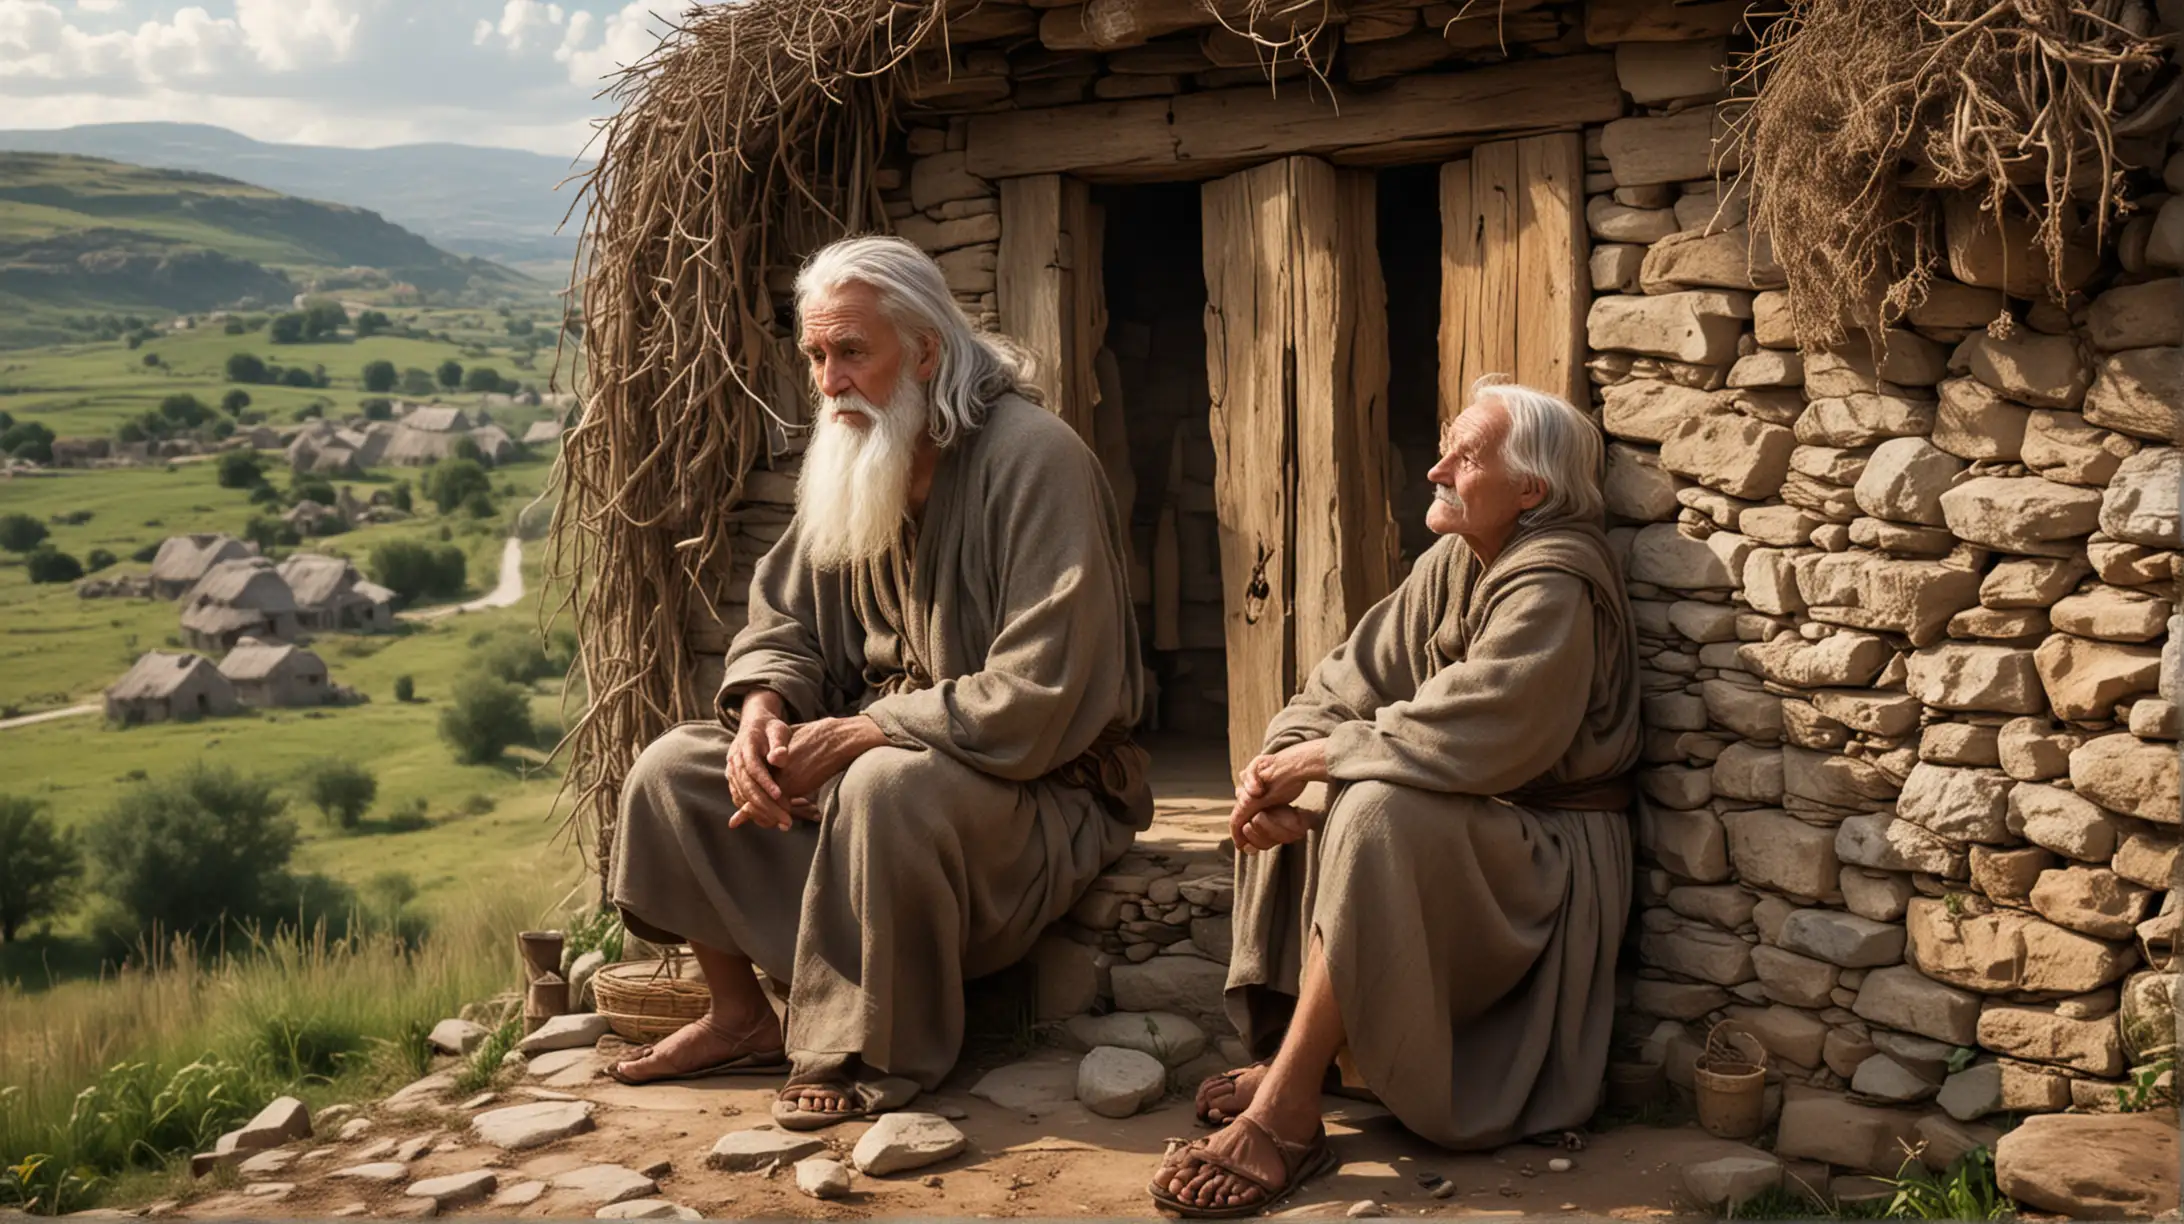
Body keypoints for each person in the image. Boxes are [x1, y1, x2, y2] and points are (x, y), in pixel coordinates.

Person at [608, 235, 1152, 1130]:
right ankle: (740, 1017)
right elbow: (783, 620)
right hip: (894, 777)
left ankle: (867, 1045)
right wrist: (762, 712)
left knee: (883, 782)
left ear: (927, 350)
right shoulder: (861, 448)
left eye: (851, 352)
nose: (828, 382)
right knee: (675, 769)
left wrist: (869, 729)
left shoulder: (1035, 460)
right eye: (816, 355)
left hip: (1038, 789)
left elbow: (1043, 689)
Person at [1149, 378, 1642, 1217]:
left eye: (1466, 457)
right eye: (1446, 447)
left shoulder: (1555, 578)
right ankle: (1323, 1059)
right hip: (1478, 829)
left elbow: (1488, 724)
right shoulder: (1455, 561)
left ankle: (1290, 1109)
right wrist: (1279, 763)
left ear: (1532, 490)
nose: (1436, 470)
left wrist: (1325, 761)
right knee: (1341, 794)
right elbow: (1344, 681)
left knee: (1370, 805)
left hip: (1549, 856)